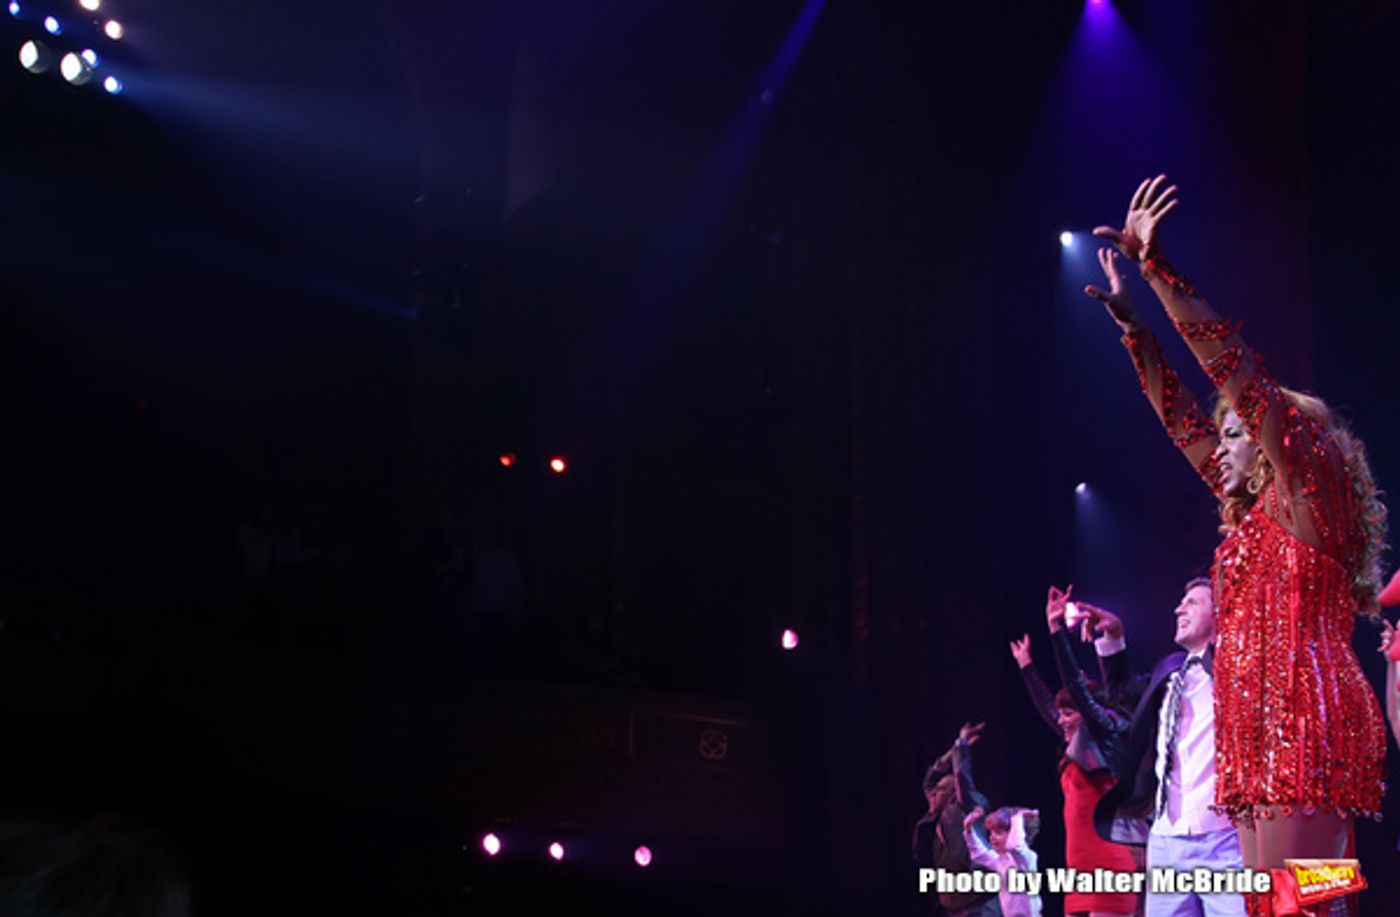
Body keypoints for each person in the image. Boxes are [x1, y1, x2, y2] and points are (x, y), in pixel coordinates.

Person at [1084, 176, 1388, 911]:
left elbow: (1234, 369)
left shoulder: (1307, 495)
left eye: (1232, 432)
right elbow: (1182, 423)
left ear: (1275, 438)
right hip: (1251, 727)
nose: (1216, 445)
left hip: (1303, 714)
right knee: (1282, 904)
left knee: (1297, 905)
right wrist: (1135, 332)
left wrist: (1159, 274)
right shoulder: (1254, 516)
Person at [1085, 580, 1246, 917]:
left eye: (1192, 602)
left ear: (1221, 614)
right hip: (1166, 840)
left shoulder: (1237, 670)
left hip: (1223, 837)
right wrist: (1114, 637)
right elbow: (1122, 691)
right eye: (1181, 601)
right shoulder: (1170, 670)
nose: (1178, 609)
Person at [1011, 586, 1138, 917]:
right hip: (1078, 867)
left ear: (1087, 711)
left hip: (1110, 862)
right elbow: (1047, 708)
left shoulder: (1106, 737)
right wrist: (1026, 666)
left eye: (1069, 713)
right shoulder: (1076, 747)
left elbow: (1077, 690)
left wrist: (1057, 632)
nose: (1061, 720)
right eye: (1062, 714)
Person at [913, 721, 1003, 917]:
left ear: (953, 793)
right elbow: (929, 781)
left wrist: (962, 744)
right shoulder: (937, 814)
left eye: (940, 790)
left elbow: (962, 775)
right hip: (955, 907)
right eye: (934, 791)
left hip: (979, 905)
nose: (933, 793)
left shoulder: (963, 806)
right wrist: (952, 750)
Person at [964, 805, 1044, 917]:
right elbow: (980, 854)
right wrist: (968, 829)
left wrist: (1017, 818)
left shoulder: (1027, 859)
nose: (992, 837)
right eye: (991, 832)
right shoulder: (1001, 861)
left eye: (998, 832)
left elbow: (1015, 846)